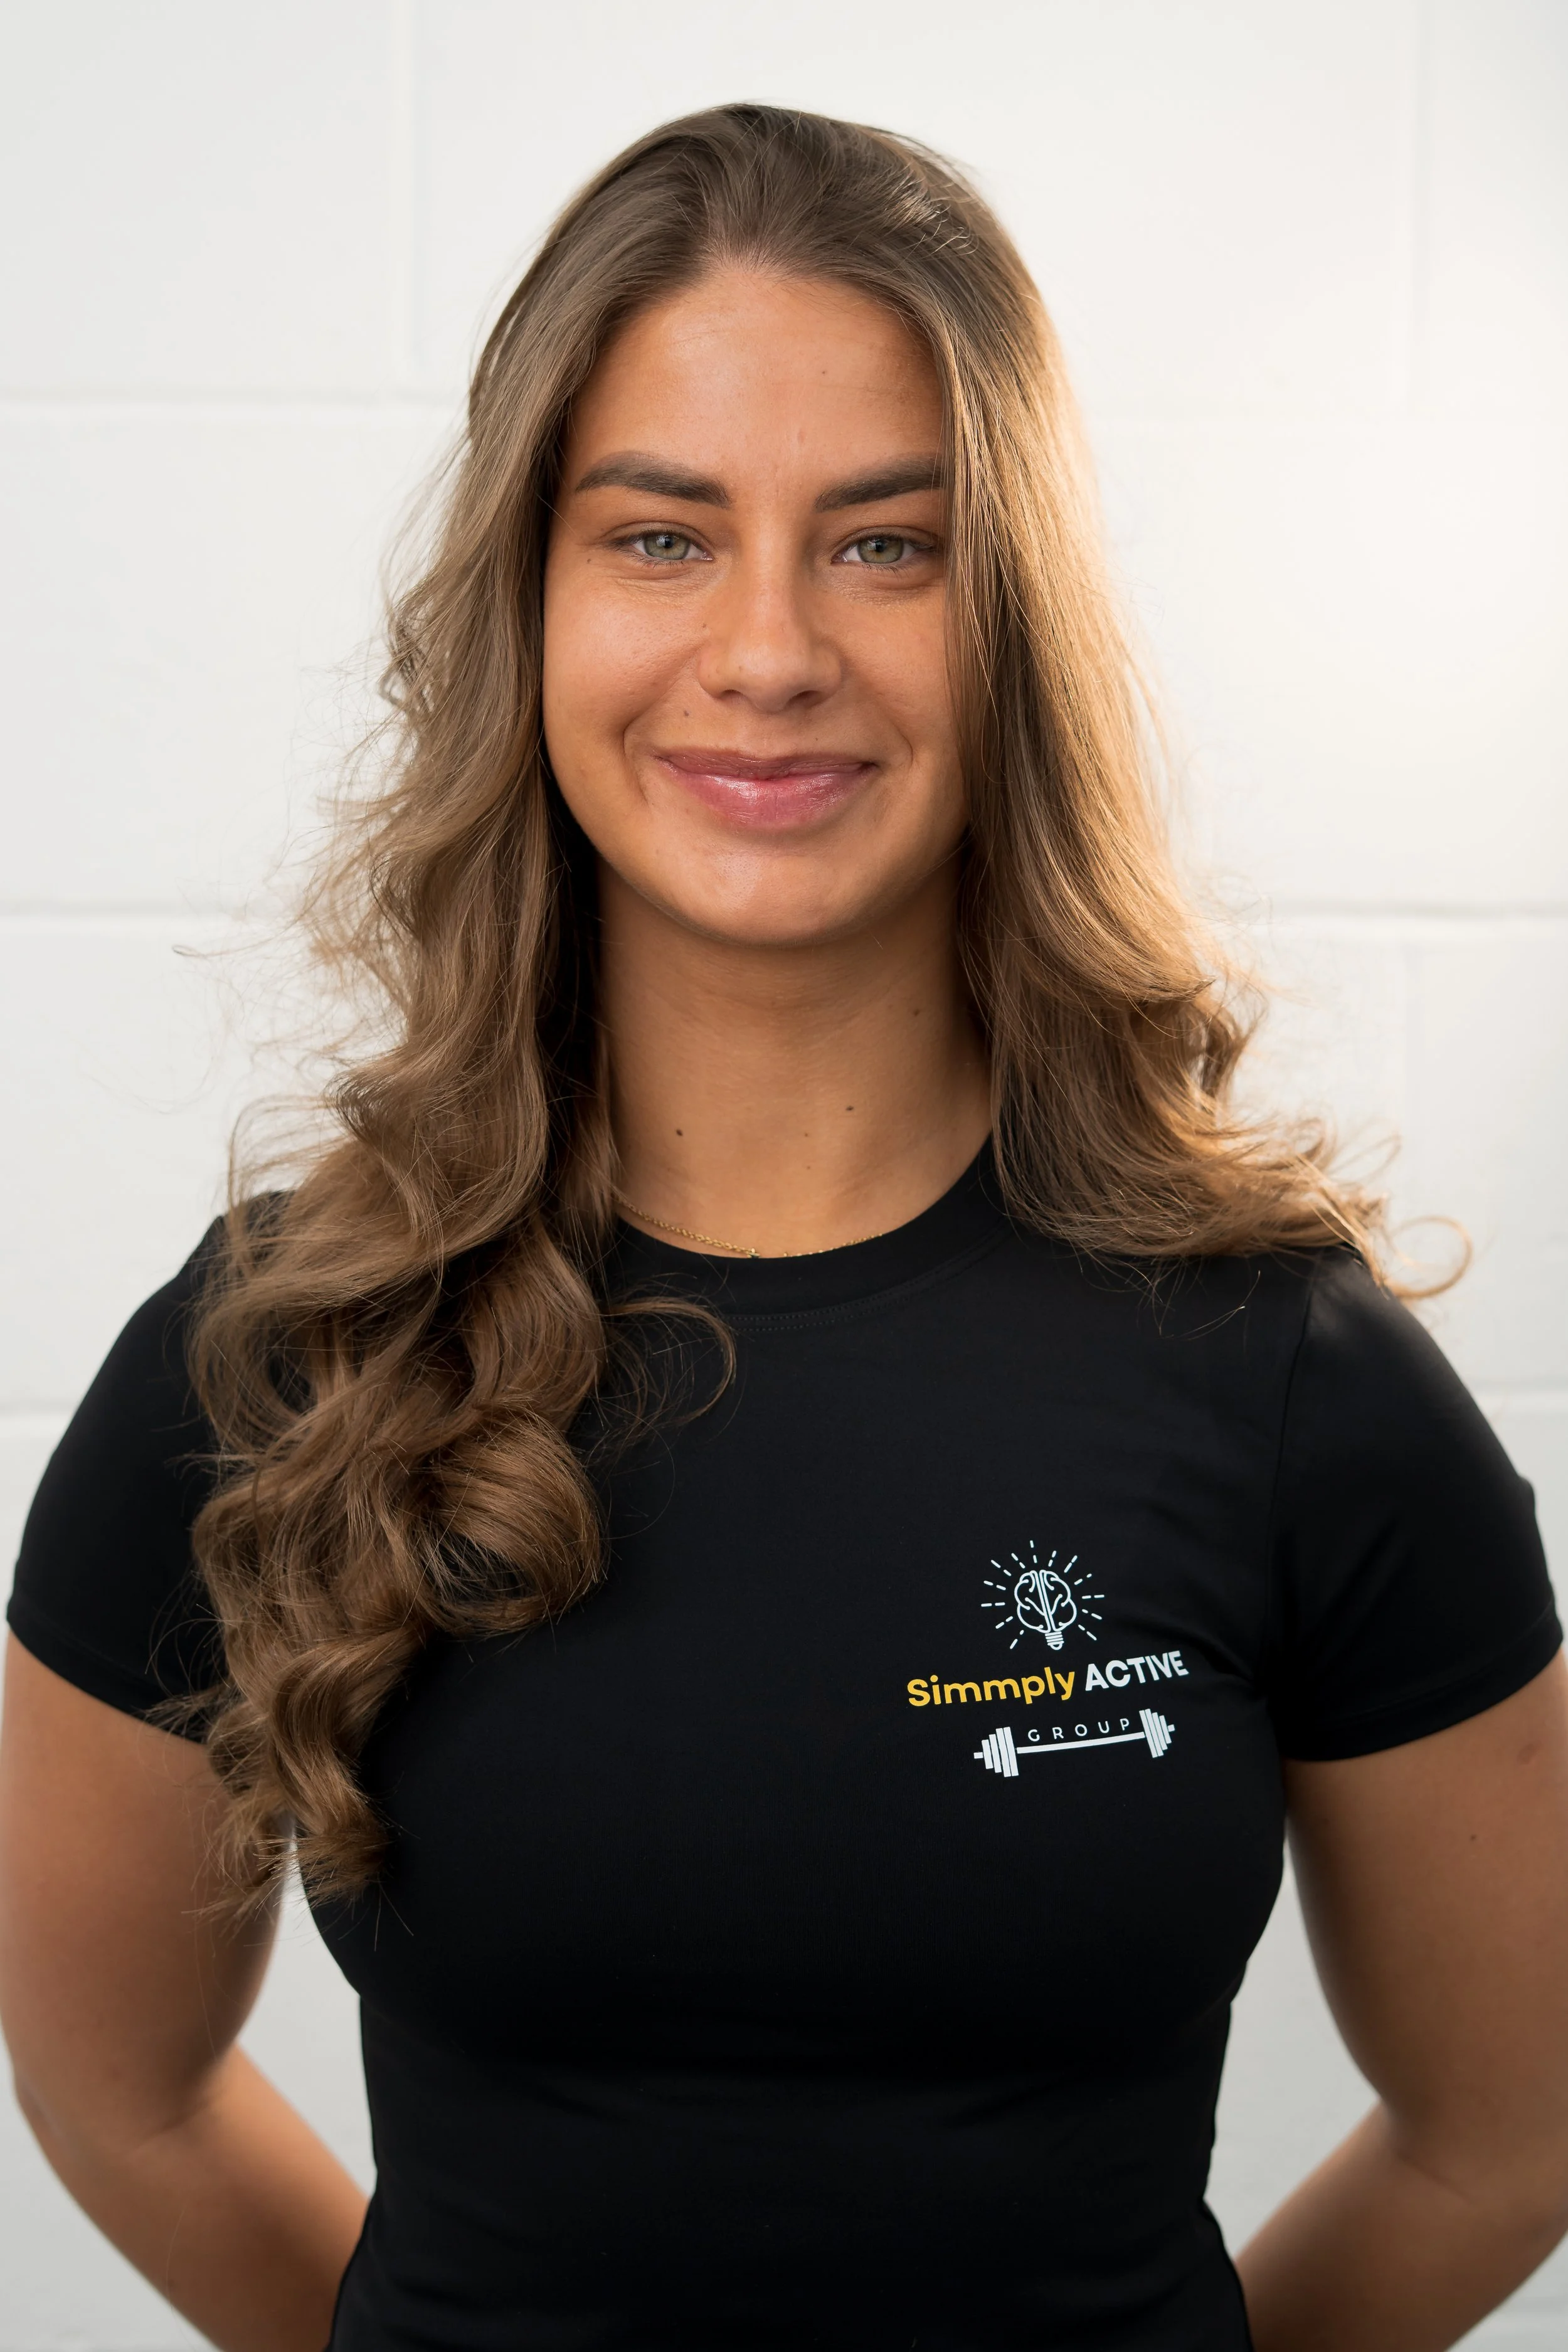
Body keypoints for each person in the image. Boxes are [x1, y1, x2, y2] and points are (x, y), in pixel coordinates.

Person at [3, 102, 1567, 2352]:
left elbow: (1498, 2137)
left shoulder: (1287, 1372)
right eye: (658, 536)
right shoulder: (278, 1350)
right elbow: (110, 2083)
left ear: (1010, 615)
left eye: (886, 546)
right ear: (527, 602)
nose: (764, 650)